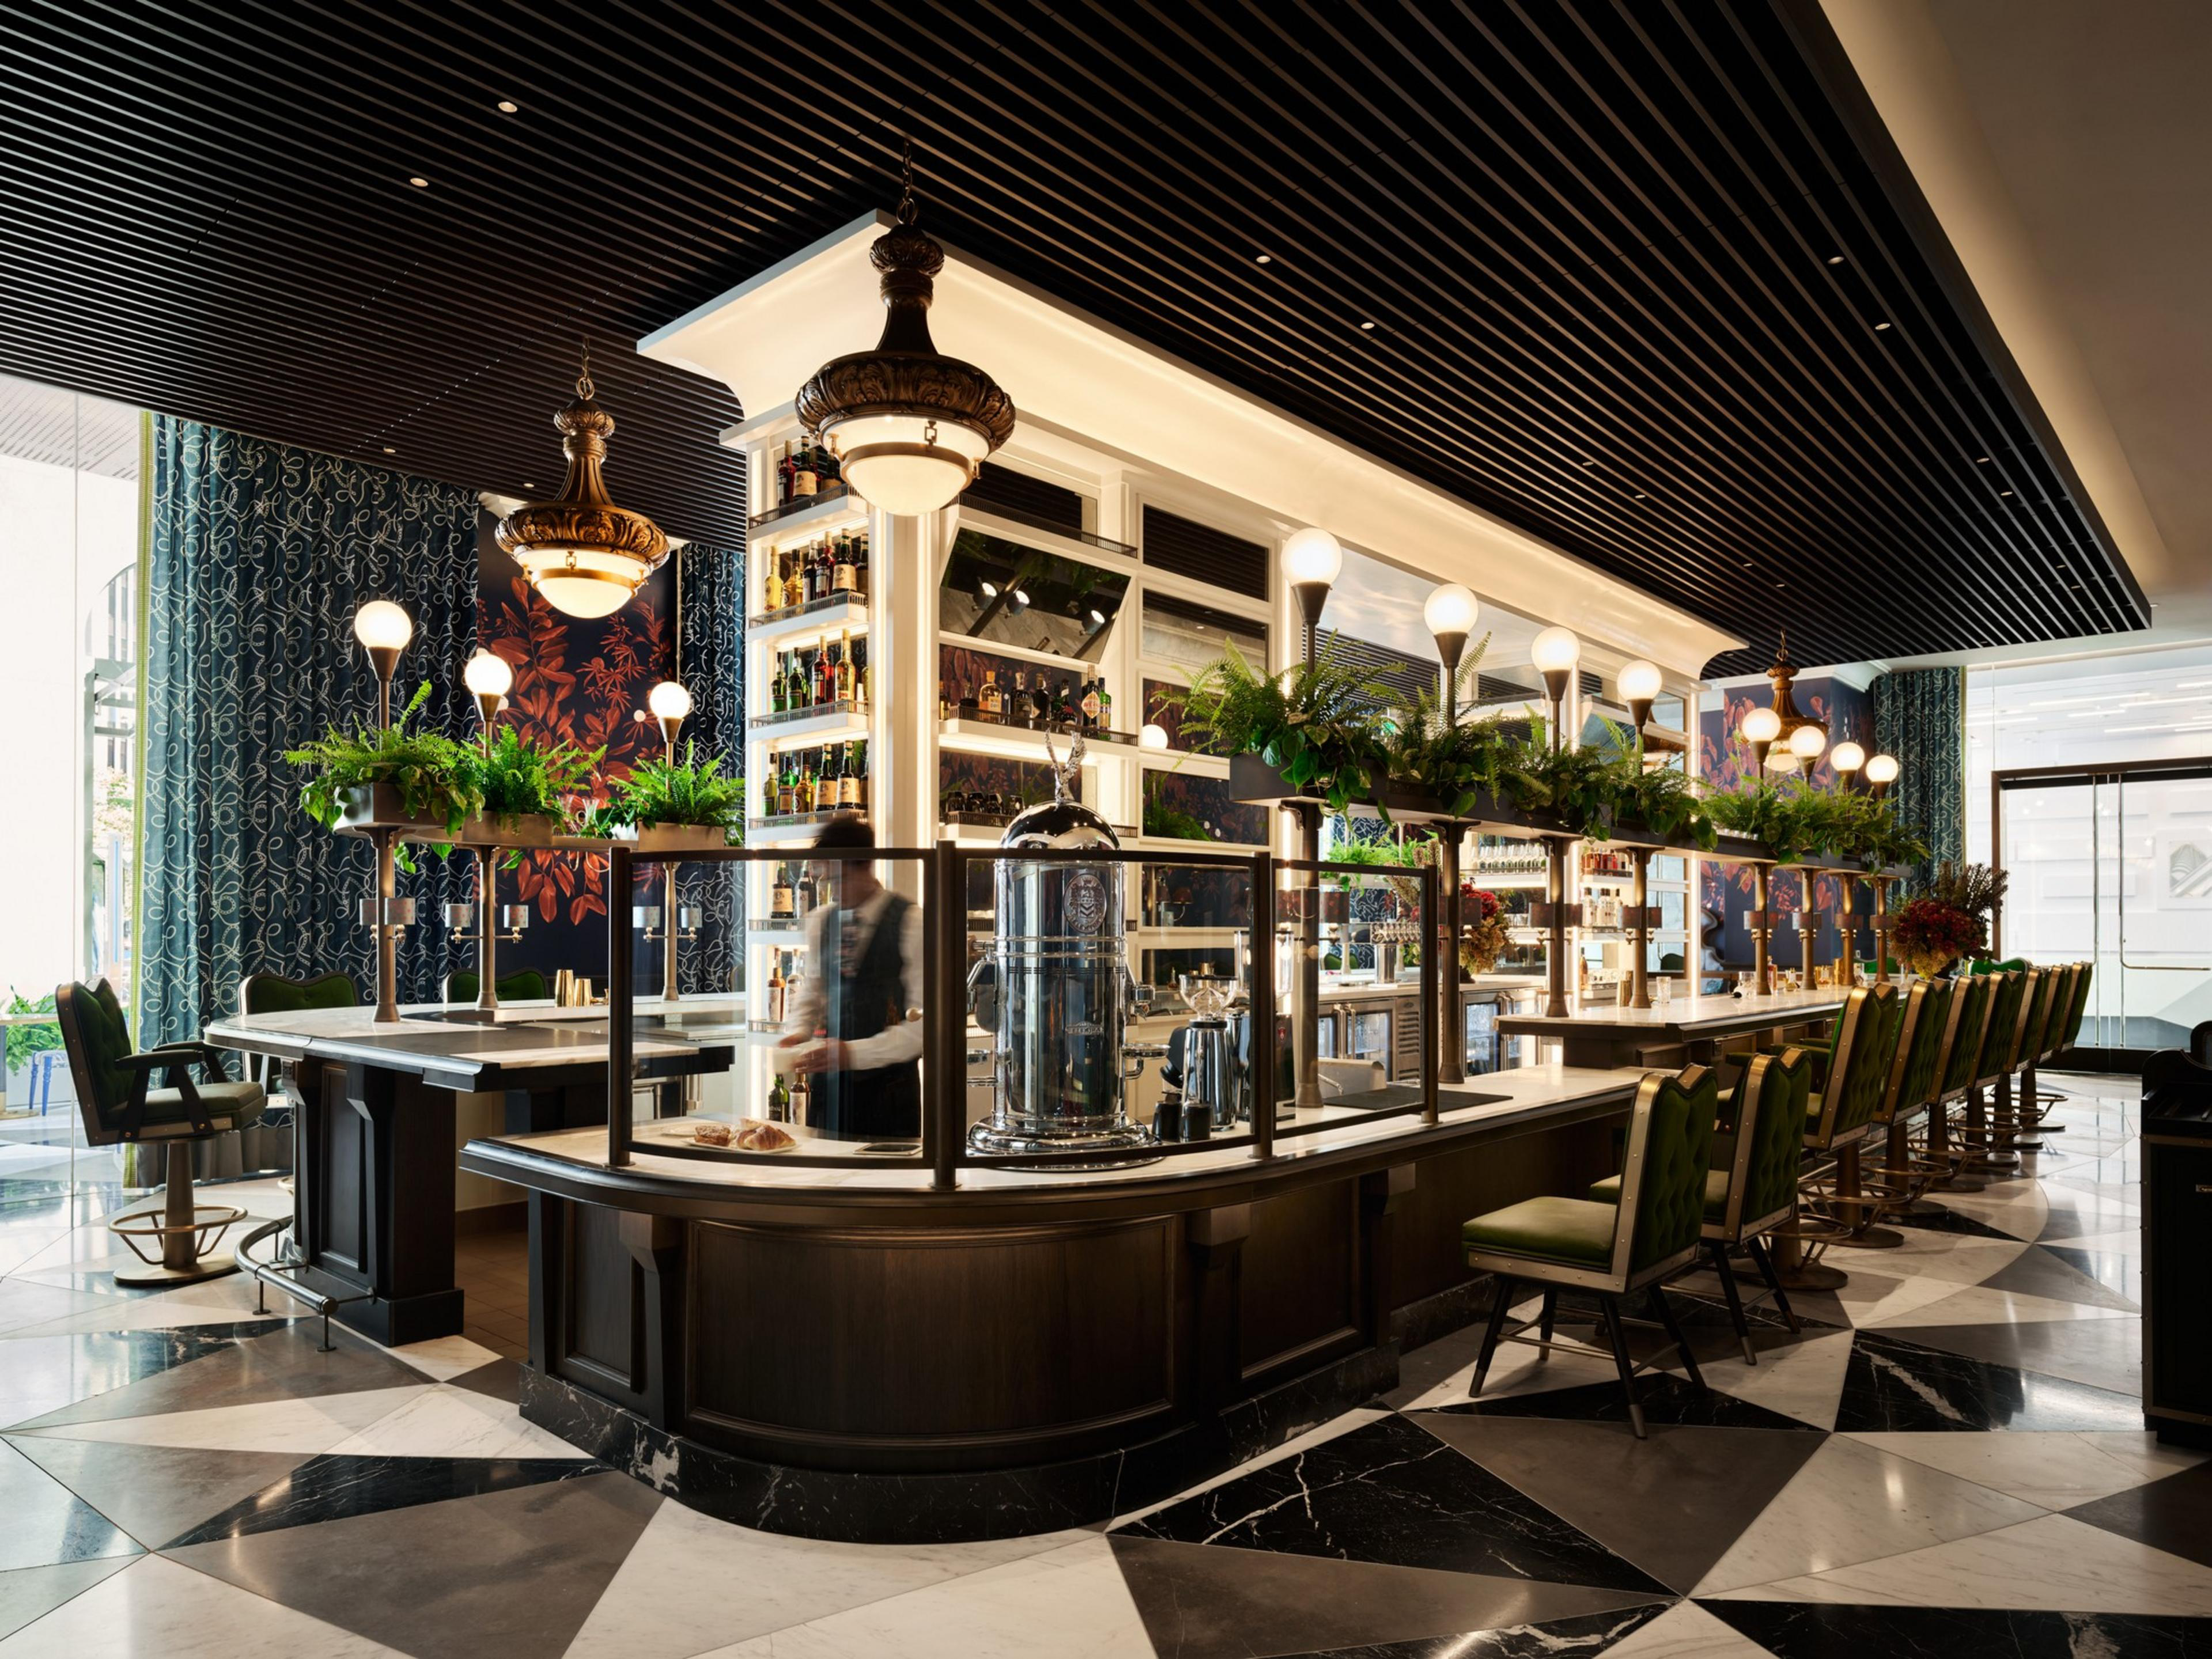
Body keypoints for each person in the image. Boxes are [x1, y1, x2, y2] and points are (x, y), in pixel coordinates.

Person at [776, 815, 924, 1139]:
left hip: (890, 1095)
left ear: (867, 866)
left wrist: (851, 1054)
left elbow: (923, 1029)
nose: (832, 890)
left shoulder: (912, 922)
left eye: (839, 878)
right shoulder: (820, 921)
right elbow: (812, 989)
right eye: (826, 879)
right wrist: (798, 1033)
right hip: (827, 1094)